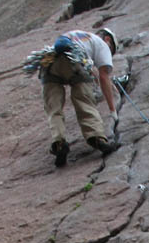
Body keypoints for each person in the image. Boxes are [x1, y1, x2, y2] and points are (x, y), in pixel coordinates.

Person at [38, 28, 120, 167]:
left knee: (54, 108)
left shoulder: (80, 35)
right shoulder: (102, 44)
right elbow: (104, 76)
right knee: (84, 100)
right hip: (74, 59)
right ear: (108, 40)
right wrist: (113, 111)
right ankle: (96, 138)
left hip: (50, 62)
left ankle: (59, 143)